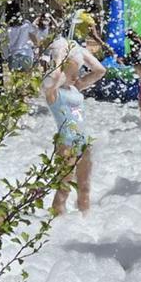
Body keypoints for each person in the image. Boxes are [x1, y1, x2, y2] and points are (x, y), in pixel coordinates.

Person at [44, 39, 107, 216]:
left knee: (85, 187)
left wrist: (81, 52)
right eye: (73, 72)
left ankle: (86, 224)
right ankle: (56, 225)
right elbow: (54, 75)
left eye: (78, 71)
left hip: (84, 141)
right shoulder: (53, 93)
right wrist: (61, 52)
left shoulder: (75, 88)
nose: (77, 76)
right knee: (64, 187)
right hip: (66, 143)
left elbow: (100, 71)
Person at [4, 2, 39, 72]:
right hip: (26, 54)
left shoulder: (6, 28)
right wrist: (36, 50)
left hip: (13, 56)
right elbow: (35, 39)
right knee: (27, 81)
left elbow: (5, 44)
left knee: (15, 81)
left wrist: (6, 56)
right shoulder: (26, 24)